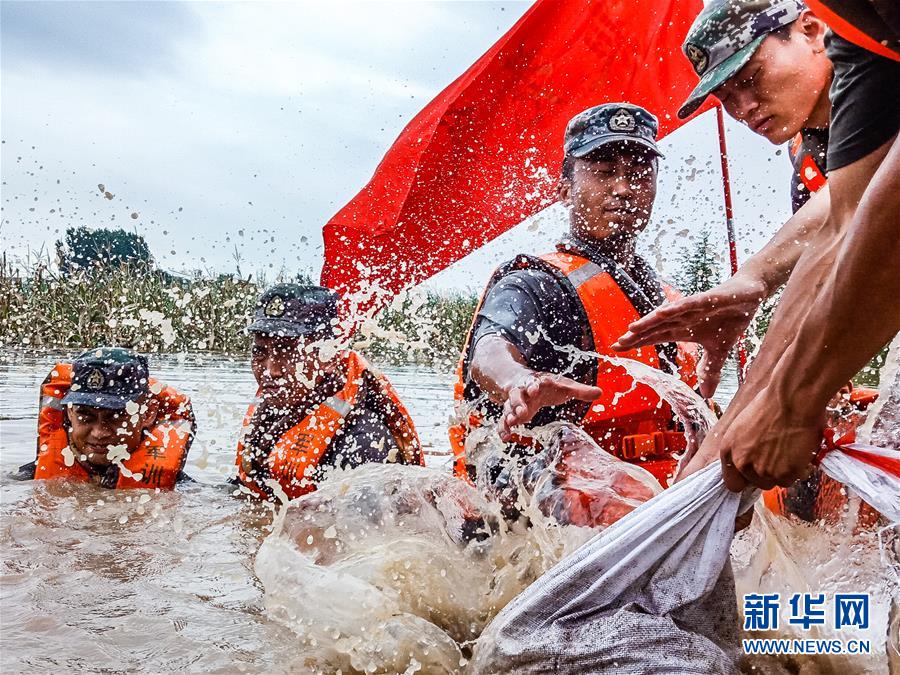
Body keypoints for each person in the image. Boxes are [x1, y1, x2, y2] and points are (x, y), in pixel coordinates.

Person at [614, 0, 899, 491]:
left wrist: (789, 403)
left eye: (750, 78)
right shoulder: (859, 59)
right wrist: (720, 444)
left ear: (811, 30)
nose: (743, 109)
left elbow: (871, 223)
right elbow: (835, 233)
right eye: (726, 97)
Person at [449, 102, 702, 503]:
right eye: (603, 173)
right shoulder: (534, 285)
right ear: (564, 190)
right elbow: (489, 350)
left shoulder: (664, 297)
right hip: (556, 517)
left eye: (638, 174)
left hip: (655, 505)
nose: (623, 188)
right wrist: (518, 381)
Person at [235, 284, 423, 501]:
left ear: (330, 357)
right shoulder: (276, 411)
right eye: (260, 351)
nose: (271, 370)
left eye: (288, 352)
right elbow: (245, 495)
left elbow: (373, 533)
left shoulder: (363, 444)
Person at [19, 347, 195, 490]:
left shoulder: (180, 489)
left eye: (116, 417)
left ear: (148, 413)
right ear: (69, 412)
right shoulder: (28, 480)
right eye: (85, 416)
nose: (99, 433)